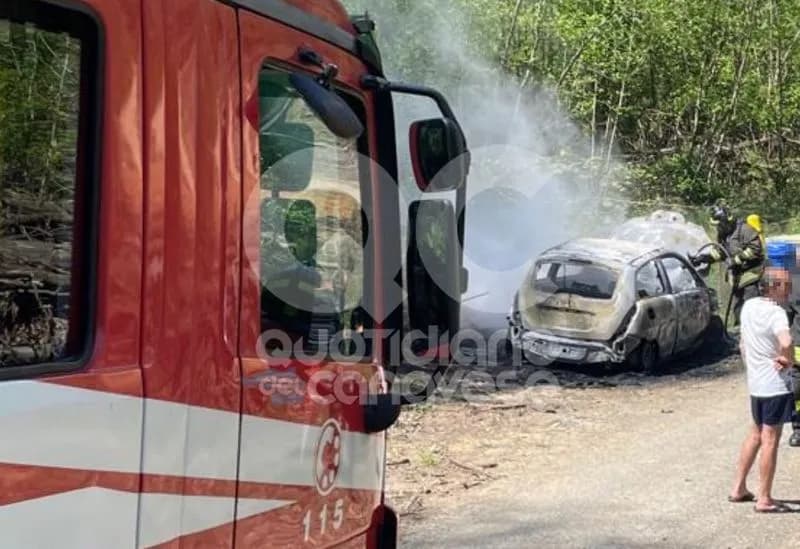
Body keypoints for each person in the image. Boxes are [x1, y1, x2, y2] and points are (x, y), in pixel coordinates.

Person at [729, 267, 794, 513]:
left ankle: (738, 487)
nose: (789, 290)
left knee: (755, 433)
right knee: (770, 439)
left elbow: (743, 343)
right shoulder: (776, 313)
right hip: (774, 385)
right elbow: (786, 342)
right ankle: (764, 498)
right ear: (773, 286)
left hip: (756, 383)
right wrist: (786, 359)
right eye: (785, 285)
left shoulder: (750, 306)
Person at [691, 205, 765, 326]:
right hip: (738, 278)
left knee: (751, 309)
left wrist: (735, 260)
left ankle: (755, 337)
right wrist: (705, 258)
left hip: (752, 275)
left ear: (727, 221)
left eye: (719, 225)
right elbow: (720, 252)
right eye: (716, 226)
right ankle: (741, 335)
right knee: (738, 311)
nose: (718, 228)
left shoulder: (745, 229)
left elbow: (756, 249)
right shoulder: (723, 234)